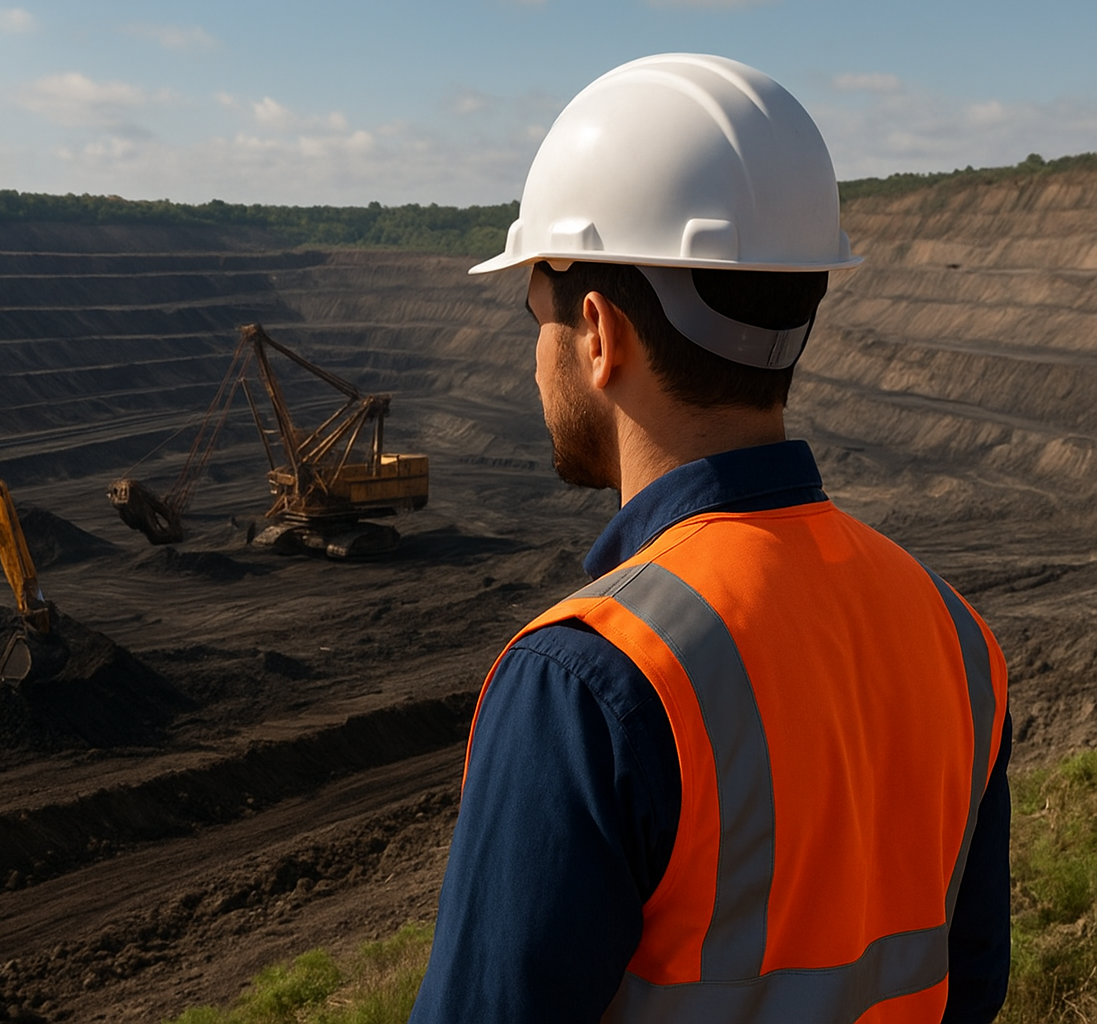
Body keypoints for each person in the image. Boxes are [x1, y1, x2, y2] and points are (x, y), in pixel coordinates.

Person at [409, 54, 1011, 1023]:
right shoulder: (957, 638)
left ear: (598, 334)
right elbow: (968, 990)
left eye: (538, 316)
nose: (536, 355)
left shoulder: (585, 681)